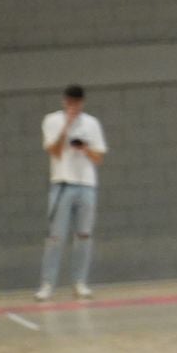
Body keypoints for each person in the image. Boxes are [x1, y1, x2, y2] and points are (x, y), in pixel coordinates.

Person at [37, 84, 106, 301]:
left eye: (77, 103)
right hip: (62, 183)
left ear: (82, 103)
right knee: (56, 236)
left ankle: (80, 282)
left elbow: (98, 158)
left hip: (86, 184)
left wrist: (84, 148)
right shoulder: (52, 120)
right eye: (70, 102)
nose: (73, 106)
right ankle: (47, 284)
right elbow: (54, 152)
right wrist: (66, 127)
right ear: (64, 101)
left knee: (84, 235)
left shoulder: (91, 123)